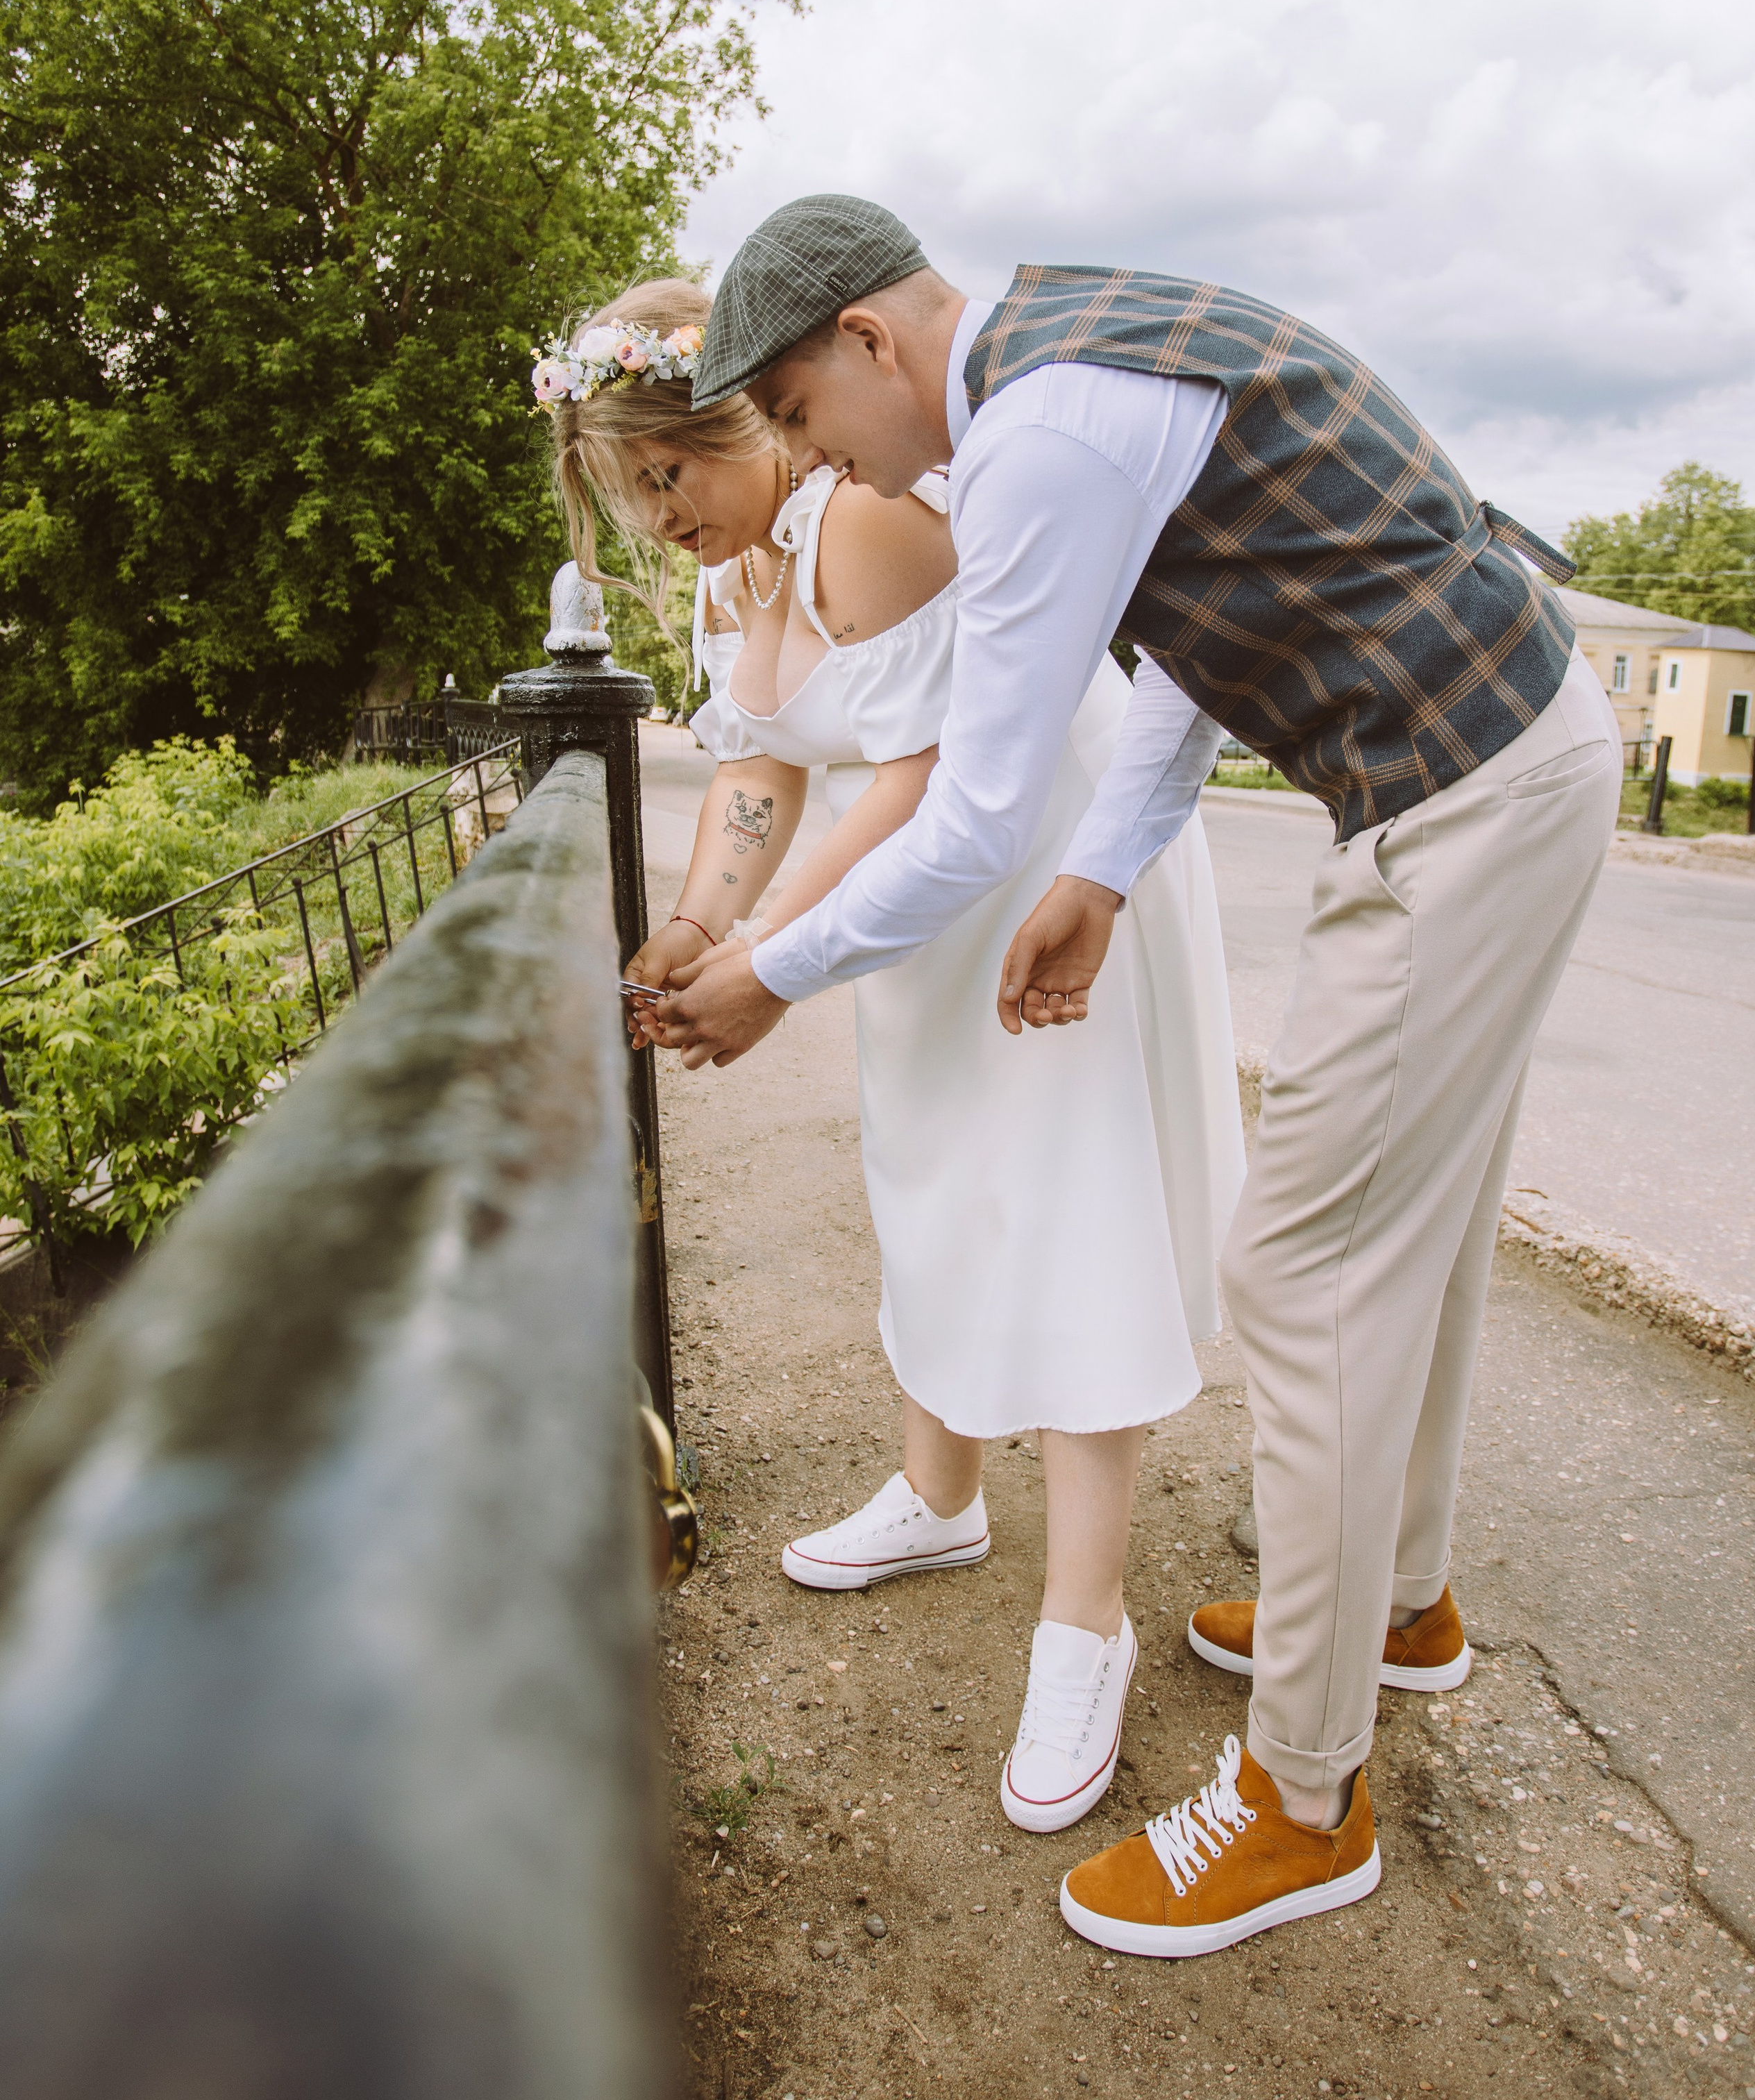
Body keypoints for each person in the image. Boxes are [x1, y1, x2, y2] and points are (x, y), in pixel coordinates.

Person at [655, 196, 1622, 1960]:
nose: (810, 460)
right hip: (1478, 761)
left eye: (797, 414)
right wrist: (1098, 873)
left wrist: (766, 979)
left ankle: (1298, 1798)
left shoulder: (1027, 436)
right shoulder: (1084, 351)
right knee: (1427, 1224)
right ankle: (1398, 1605)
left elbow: (962, 815)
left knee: (1309, 1274)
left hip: (1464, 785)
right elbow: (1186, 638)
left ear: (869, 342)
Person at [539, 278, 1245, 1838]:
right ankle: (937, 1495)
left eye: (674, 468)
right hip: (908, 895)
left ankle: (1085, 1618)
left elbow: (927, 771)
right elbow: (763, 767)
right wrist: (695, 923)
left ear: (752, 420)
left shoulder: (859, 524)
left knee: (1067, 1210)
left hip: (1034, 863)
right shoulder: (736, 574)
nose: (658, 511)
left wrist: (766, 952)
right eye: (624, 484)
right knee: (923, 1175)